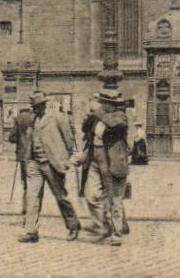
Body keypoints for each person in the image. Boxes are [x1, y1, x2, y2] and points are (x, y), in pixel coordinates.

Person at [15, 91, 80, 244]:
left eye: (38, 106)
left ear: (44, 105)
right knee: (32, 197)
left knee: (60, 196)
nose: (36, 109)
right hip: (34, 163)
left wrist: (67, 158)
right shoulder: (32, 120)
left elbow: (69, 139)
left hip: (52, 163)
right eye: (34, 107)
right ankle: (31, 231)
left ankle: (73, 225)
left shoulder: (57, 117)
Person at [73, 88, 130, 246]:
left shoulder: (120, 116)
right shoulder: (98, 117)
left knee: (115, 199)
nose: (102, 105)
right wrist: (89, 116)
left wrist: (98, 112)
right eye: (101, 102)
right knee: (90, 195)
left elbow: (112, 124)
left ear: (112, 105)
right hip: (94, 159)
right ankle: (102, 226)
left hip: (112, 161)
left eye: (105, 103)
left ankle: (117, 233)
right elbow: (85, 129)